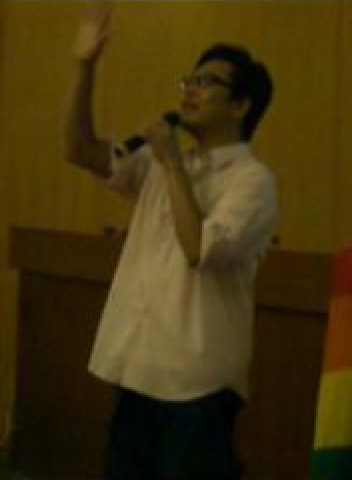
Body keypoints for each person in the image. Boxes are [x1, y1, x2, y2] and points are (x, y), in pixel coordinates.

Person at [65, 2, 277, 479]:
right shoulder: (161, 164)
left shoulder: (252, 182)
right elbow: (79, 149)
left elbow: (199, 249)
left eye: (206, 82)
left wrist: (172, 163)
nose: (190, 91)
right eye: (189, 81)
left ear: (241, 105)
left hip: (196, 384)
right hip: (138, 367)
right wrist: (84, 66)